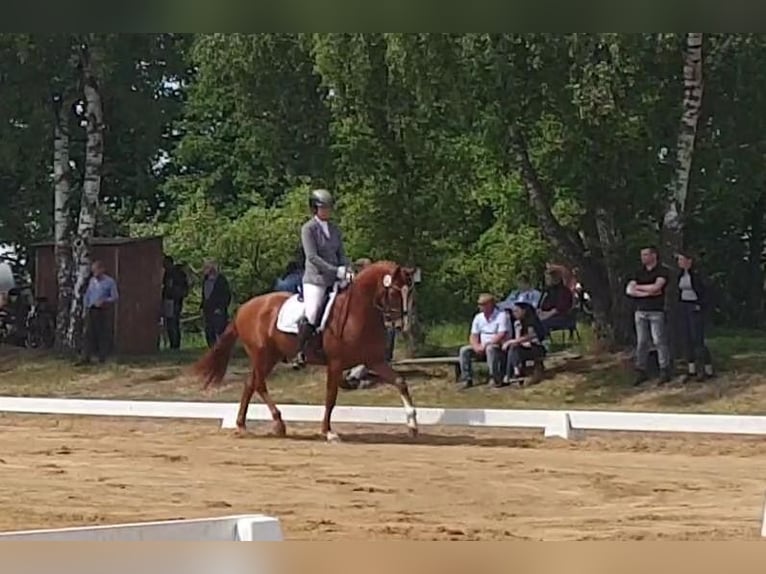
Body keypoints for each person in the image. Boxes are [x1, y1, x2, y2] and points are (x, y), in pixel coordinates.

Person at [294, 188, 352, 368]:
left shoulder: (334, 229)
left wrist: (346, 268)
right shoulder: (308, 229)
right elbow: (312, 257)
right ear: (314, 209)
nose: (327, 211)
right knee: (312, 312)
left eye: (329, 208)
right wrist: (336, 271)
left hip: (336, 278)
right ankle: (300, 351)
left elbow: (341, 253)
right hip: (316, 279)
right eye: (323, 208)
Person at [625, 246, 671, 385]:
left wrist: (640, 287)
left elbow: (657, 288)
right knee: (642, 342)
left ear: (654, 255)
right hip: (640, 311)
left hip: (656, 310)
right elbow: (629, 290)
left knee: (659, 341)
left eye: (646, 254)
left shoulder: (662, 271)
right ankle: (641, 370)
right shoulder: (638, 272)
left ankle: (664, 369)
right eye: (642, 255)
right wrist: (647, 292)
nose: (643, 257)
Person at [676, 250, 714, 382]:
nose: (679, 262)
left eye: (681, 260)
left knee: (697, 338)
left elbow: (706, 291)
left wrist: (700, 305)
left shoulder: (698, 274)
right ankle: (691, 369)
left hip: (695, 306)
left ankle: (706, 368)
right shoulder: (681, 274)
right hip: (684, 306)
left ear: (689, 261)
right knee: (687, 339)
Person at [457, 293, 510, 389]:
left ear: (490, 304)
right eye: (479, 304)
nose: (480, 306)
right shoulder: (478, 317)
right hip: (481, 345)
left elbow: (502, 334)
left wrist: (486, 344)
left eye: (483, 304)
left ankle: (494, 378)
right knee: (464, 350)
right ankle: (467, 379)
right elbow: (473, 335)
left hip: (496, 346)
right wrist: (476, 346)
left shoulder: (501, 315)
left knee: (490, 349)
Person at [77, 260, 119, 365]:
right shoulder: (92, 281)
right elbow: (88, 294)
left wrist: (104, 301)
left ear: (102, 269)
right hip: (91, 309)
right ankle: (85, 357)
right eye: (93, 271)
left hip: (102, 310)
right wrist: (85, 305)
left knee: (102, 334)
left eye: (96, 271)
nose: (94, 273)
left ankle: (102, 357)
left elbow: (115, 297)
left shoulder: (110, 282)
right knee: (88, 334)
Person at [502, 301, 546, 385]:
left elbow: (530, 336)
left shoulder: (531, 322)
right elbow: (518, 339)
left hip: (536, 348)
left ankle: (512, 373)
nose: (514, 313)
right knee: (513, 348)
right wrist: (517, 330)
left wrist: (513, 341)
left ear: (524, 311)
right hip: (523, 347)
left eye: (516, 311)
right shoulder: (517, 323)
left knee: (513, 346)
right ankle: (514, 372)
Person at [200, 259, 232, 348]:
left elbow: (226, 295)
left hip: (218, 309)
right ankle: (212, 347)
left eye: (207, 267)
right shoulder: (205, 280)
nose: (204, 269)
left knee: (219, 328)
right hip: (207, 308)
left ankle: (222, 347)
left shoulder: (221, 280)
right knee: (209, 329)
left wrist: (220, 307)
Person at [162, 255, 189, 350]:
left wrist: (175, 294)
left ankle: (175, 344)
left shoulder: (177, 274)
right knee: (170, 322)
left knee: (173, 322)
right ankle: (173, 343)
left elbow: (183, 289)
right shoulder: (167, 273)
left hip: (175, 301)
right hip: (169, 300)